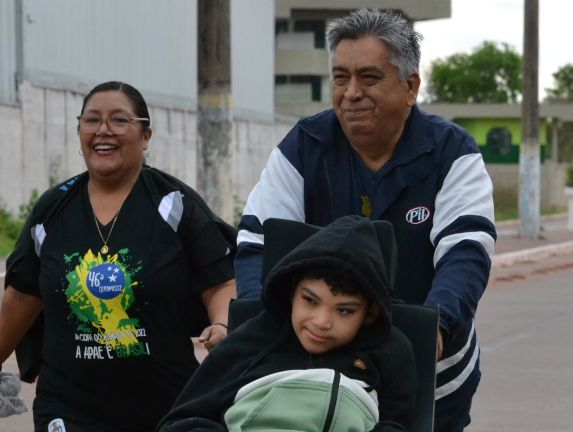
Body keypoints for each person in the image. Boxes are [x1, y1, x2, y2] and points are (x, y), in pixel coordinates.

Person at [234, 9, 496, 431]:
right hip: (314, 377)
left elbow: (466, 250)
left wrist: (438, 326)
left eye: (369, 77)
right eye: (341, 78)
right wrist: (254, 320)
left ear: (410, 87)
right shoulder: (304, 146)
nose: (351, 92)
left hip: (429, 377)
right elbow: (257, 243)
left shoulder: (452, 151)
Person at [0, 81, 237, 431]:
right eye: (91, 120)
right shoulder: (53, 210)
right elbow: (21, 296)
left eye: (120, 120)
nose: (103, 130)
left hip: (165, 407)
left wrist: (222, 325)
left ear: (145, 135)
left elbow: (219, 282)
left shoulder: (174, 205)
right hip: (67, 407)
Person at [158, 215, 416, 431]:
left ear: (370, 314)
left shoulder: (389, 351)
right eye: (310, 301)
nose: (322, 322)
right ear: (292, 293)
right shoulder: (252, 340)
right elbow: (182, 421)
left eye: (345, 311)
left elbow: (398, 424)